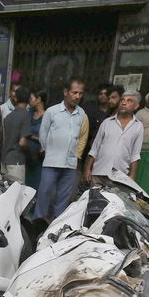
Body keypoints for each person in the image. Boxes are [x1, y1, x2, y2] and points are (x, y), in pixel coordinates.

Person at [36, 76, 89, 220]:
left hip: (70, 164)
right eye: (74, 92)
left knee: (63, 200)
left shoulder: (82, 114)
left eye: (80, 93)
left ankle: (55, 230)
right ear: (66, 92)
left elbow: (82, 136)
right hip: (52, 161)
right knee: (44, 195)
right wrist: (49, 151)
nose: (77, 96)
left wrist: (76, 155)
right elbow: (43, 135)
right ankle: (37, 228)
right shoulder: (52, 112)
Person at [83, 91, 144, 183]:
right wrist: (87, 169)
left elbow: (135, 154)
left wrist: (132, 175)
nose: (124, 103)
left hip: (120, 175)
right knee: (95, 196)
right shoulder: (107, 122)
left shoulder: (138, 126)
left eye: (129, 101)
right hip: (99, 171)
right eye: (122, 100)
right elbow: (95, 148)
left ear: (136, 106)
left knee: (115, 197)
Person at [1, 86, 32, 182]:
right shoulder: (26, 115)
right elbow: (22, 143)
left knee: (6, 192)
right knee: (17, 192)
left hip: (5, 159)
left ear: (16, 98)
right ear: (29, 99)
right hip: (16, 160)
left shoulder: (8, 117)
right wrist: (30, 152)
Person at [25, 90, 47, 190]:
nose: (29, 101)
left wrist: (32, 136)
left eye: (31, 99)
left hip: (39, 157)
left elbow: (49, 138)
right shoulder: (29, 114)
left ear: (38, 100)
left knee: (37, 186)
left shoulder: (47, 116)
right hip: (26, 155)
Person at [82, 82, 111, 156]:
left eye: (105, 94)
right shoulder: (91, 111)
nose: (103, 96)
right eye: (101, 94)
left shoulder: (112, 112)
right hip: (89, 148)